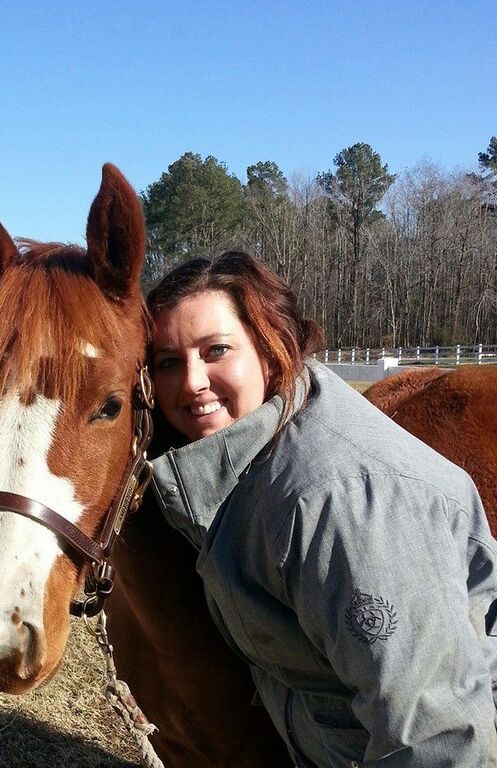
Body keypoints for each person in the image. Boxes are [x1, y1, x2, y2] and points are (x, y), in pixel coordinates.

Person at [146, 250, 497, 767]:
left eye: (216, 350)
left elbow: (437, 737)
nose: (192, 381)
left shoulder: (337, 501)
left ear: (270, 350)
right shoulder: (257, 449)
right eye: (169, 362)